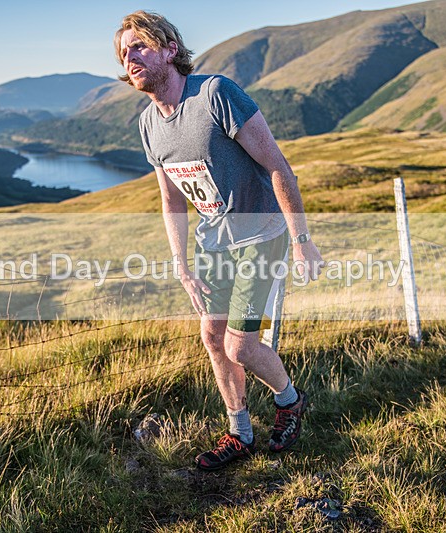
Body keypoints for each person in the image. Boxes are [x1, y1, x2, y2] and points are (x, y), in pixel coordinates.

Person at [115, 11, 324, 470]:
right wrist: (180, 264)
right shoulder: (149, 125)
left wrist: (302, 239)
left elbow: (278, 166)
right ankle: (240, 433)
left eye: (140, 46)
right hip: (213, 243)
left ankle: (289, 400)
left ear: (170, 49)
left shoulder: (215, 94)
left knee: (240, 347)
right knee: (212, 337)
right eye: (124, 52)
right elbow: (171, 199)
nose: (130, 57)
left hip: (261, 232)